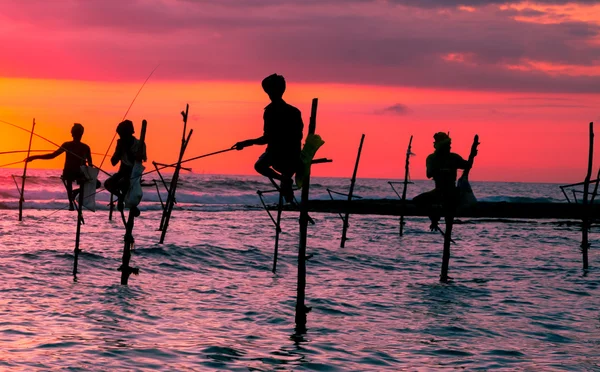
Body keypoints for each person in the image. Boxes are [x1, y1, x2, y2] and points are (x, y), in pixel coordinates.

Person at [233, 74, 304, 203]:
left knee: (259, 165)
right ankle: (287, 188)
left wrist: (246, 143)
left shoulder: (270, 111)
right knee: (286, 173)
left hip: (278, 154)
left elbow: (267, 138)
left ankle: (285, 182)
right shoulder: (295, 111)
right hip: (294, 156)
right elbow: (299, 136)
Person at [413, 132, 475, 231]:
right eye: (447, 145)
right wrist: (442, 170)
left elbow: (467, 166)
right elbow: (429, 174)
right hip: (439, 190)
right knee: (418, 201)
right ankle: (434, 219)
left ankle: (439, 218)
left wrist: (472, 156)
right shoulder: (432, 158)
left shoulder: (454, 157)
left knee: (448, 214)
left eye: (450, 145)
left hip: (452, 192)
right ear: (441, 146)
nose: (450, 147)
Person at [26, 123, 93, 211]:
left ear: (72, 133)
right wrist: (34, 157)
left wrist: (34, 157)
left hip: (76, 174)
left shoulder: (84, 147)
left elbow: (52, 156)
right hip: (70, 173)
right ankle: (71, 201)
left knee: (85, 181)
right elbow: (90, 166)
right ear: (81, 134)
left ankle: (73, 197)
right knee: (88, 182)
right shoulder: (70, 145)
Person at [104, 120, 147, 215]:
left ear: (129, 134)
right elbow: (113, 162)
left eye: (122, 135)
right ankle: (121, 197)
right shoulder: (120, 144)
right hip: (121, 173)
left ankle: (123, 199)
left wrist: (126, 149)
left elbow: (137, 162)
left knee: (124, 183)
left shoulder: (139, 145)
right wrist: (118, 151)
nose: (121, 138)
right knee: (107, 184)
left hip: (133, 175)